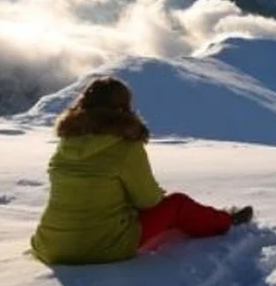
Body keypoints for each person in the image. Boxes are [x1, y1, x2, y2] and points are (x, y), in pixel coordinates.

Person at [30, 76, 253, 266]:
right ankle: (224, 221)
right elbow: (148, 200)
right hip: (102, 248)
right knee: (177, 204)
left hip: (50, 246)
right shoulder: (125, 146)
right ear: (123, 108)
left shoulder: (67, 144)